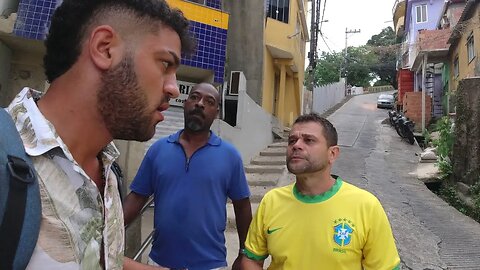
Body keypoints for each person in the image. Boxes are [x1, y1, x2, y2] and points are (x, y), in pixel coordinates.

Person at [4, 0, 195, 269]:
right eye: (165, 64)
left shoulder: (108, 172)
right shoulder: (5, 161)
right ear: (105, 48)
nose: (175, 89)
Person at [241, 113, 400, 270]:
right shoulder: (271, 201)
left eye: (308, 140)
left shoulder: (366, 206)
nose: (296, 145)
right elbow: (251, 259)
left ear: (332, 153)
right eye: (292, 140)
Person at [123, 83, 252, 270]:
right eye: (194, 97)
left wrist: (244, 253)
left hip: (211, 265)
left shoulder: (230, 156)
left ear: (216, 112)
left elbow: (242, 206)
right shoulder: (158, 149)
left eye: (209, 101)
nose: (200, 104)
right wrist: (105, 231)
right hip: (159, 263)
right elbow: (137, 197)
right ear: (185, 103)